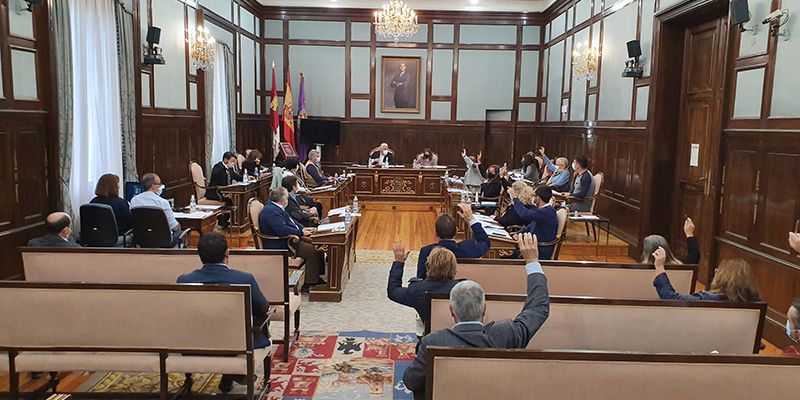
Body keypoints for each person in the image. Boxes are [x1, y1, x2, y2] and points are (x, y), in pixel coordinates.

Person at [402, 233, 550, 397]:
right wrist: (532, 262)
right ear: (484, 309)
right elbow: (538, 309)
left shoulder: (432, 342)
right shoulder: (507, 333)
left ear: (451, 310)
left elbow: (410, 381)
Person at [176, 232, 270, 393]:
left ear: (199, 254)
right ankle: (232, 371)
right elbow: (263, 308)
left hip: (195, 343)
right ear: (227, 252)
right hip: (237, 344)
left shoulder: (184, 280)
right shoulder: (244, 279)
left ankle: (229, 373)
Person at [259, 188, 325, 291]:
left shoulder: (276, 207)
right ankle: (309, 284)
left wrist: (302, 228)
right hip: (282, 243)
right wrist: (300, 232)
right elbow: (282, 230)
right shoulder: (271, 212)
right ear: (282, 200)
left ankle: (316, 276)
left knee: (317, 242)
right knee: (313, 250)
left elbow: (291, 221)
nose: (288, 200)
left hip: (291, 238)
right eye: (287, 198)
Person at [388, 243, 461, 335]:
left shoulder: (417, 289)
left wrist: (399, 262)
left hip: (429, 340)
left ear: (427, 266)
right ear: (454, 268)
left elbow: (393, 291)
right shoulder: (463, 289)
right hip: (460, 338)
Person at [652, 247, 761, 302]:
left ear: (721, 277)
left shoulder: (708, 299)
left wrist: (660, 266)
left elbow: (671, 299)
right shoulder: (755, 302)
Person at [417, 204, 490, 279]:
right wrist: (471, 219)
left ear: (436, 233)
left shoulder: (426, 252)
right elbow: (485, 243)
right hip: (461, 288)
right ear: (456, 231)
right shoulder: (469, 248)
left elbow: (421, 278)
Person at [131, 173, 183, 245]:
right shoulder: (162, 202)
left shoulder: (134, 200)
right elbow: (174, 227)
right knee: (180, 229)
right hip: (164, 240)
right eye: (159, 184)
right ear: (153, 186)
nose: (161, 186)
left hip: (142, 239)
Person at [513, 186, 558, 260]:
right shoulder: (544, 211)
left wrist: (515, 199)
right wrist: (518, 233)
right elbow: (531, 226)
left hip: (539, 250)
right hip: (534, 246)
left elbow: (524, 214)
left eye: (534, 196)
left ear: (538, 198)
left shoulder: (547, 212)